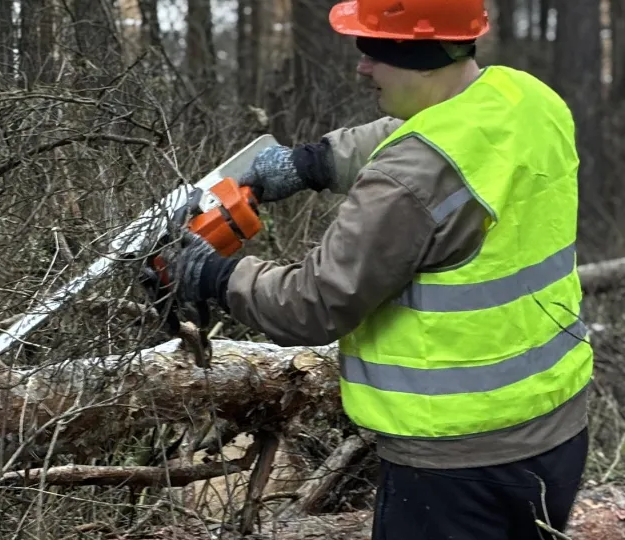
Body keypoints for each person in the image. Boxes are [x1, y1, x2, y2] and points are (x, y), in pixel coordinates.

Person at [159, 0, 593, 537]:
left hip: (457, 460)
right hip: (557, 427)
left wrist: (214, 276)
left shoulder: (407, 179)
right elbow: (427, 135)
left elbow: (315, 301)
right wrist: (308, 163)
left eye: (373, 50)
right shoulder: (526, 99)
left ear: (419, 53)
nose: (362, 67)